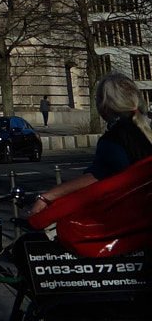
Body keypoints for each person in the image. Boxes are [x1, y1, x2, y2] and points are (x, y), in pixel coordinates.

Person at [30, 73, 152, 220]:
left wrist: (47, 197)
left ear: (105, 105)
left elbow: (97, 177)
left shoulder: (114, 138)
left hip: (134, 218)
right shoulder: (143, 129)